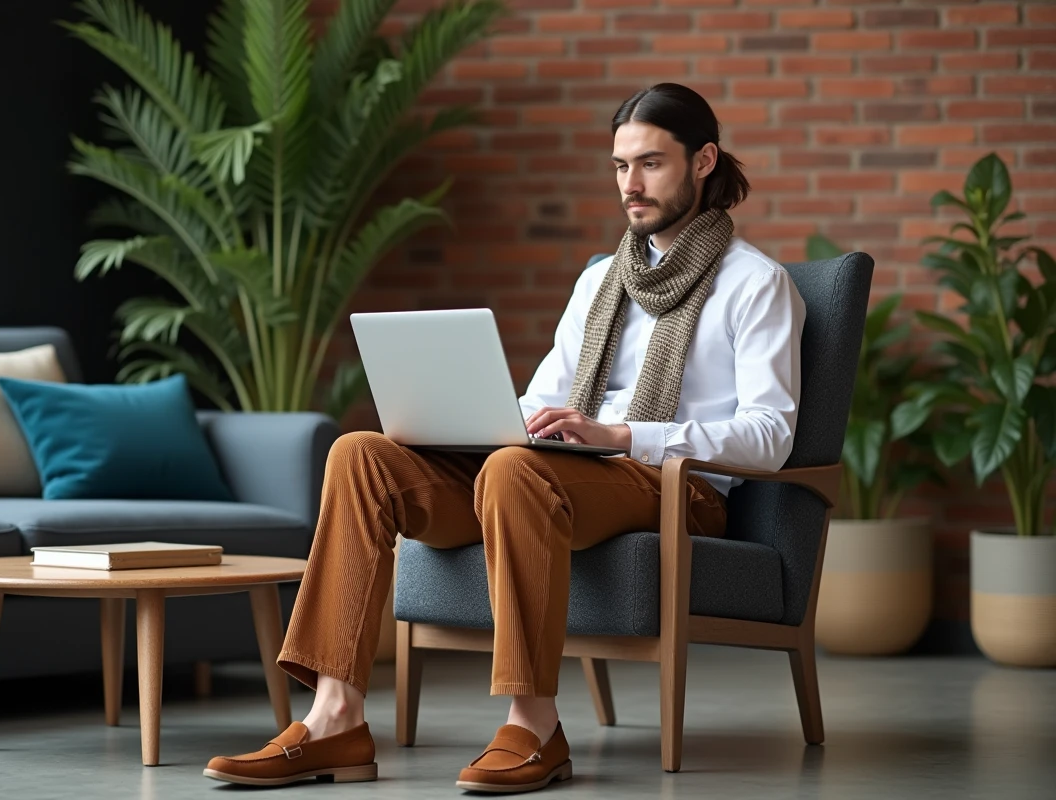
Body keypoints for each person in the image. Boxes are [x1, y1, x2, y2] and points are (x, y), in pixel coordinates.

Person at [203, 82, 806, 793]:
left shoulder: (756, 285)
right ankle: (336, 717)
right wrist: (469, 425)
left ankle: (535, 726)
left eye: (651, 164)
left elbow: (771, 437)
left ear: (704, 161)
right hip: (564, 472)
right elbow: (547, 401)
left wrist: (619, 434)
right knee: (361, 454)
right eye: (619, 166)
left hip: (681, 489)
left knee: (518, 473)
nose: (630, 186)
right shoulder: (602, 283)